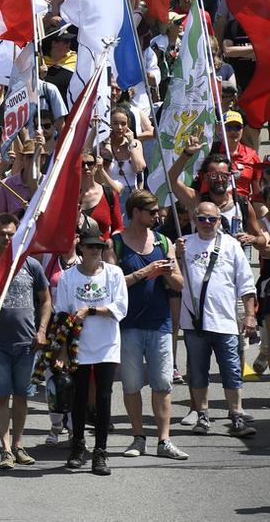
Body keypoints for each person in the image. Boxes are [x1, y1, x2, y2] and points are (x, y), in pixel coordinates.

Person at [0, 213, 51, 469]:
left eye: (11, 234)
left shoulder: (31, 265)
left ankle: (18, 445)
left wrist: (42, 330)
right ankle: (5, 450)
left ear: (18, 235)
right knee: (2, 397)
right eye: (2, 234)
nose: (6, 238)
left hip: (28, 343)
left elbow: (46, 300)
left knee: (22, 396)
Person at [111, 190, 188, 460]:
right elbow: (113, 284)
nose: (157, 215)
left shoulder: (163, 242)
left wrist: (167, 274)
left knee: (163, 383)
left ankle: (164, 440)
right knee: (131, 385)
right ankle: (138, 437)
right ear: (135, 213)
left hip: (160, 325)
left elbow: (180, 284)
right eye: (152, 211)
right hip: (128, 325)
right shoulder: (116, 243)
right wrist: (145, 272)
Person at [178, 200, 258, 440]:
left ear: (219, 221)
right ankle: (202, 415)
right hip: (194, 322)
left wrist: (250, 315)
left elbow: (246, 283)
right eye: (202, 218)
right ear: (194, 219)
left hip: (224, 320)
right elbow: (172, 279)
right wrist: (176, 256)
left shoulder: (231, 245)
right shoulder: (183, 245)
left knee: (231, 370)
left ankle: (236, 415)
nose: (206, 223)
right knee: (198, 371)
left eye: (212, 219)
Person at [55, 217, 129, 476]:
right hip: (78, 346)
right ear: (81, 249)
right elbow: (62, 315)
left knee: (104, 397)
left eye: (98, 246)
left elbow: (120, 308)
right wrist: (63, 350)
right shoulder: (67, 278)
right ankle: (77, 447)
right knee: (78, 396)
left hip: (107, 345)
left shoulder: (114, 273)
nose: (95, 250)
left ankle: (101, 452)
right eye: (89, 246)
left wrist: (92, 310)